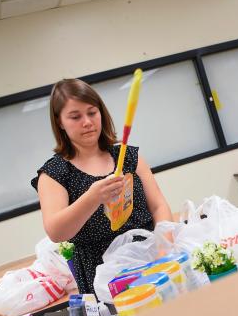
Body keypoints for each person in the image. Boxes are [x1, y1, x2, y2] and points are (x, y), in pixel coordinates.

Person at [32, 78, 172, 295]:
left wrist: (165, 247)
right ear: (59, 122)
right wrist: (93, 197)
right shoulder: (55, 174)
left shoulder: (127, 156)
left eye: (92, 112)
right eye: (75, 116)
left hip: (151, 259)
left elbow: (158, 207)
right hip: (104, 280)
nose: (87, 122)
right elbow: (56, 231)